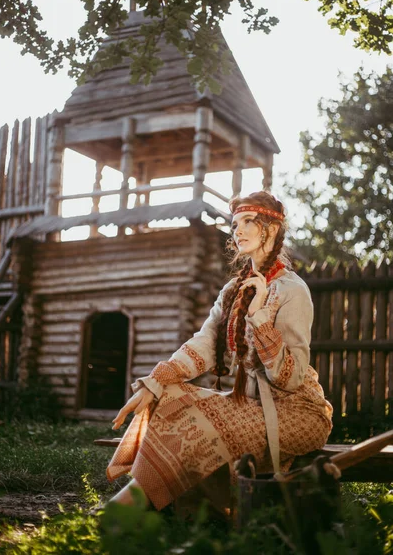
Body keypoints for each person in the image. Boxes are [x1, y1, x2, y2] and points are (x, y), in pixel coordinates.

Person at [106, 191, 333, 511]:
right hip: (251, 405)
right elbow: (205, 343)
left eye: (247, 222)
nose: (236, 231)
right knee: (169, 397)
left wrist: (259, 317)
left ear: (270, 229)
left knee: (202, 427)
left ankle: (125, 510)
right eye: (234, 223)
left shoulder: (292, 290)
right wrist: (156, 380)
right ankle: (156, 502)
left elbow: (291, 378)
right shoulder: (232, 291)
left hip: (297, 412)